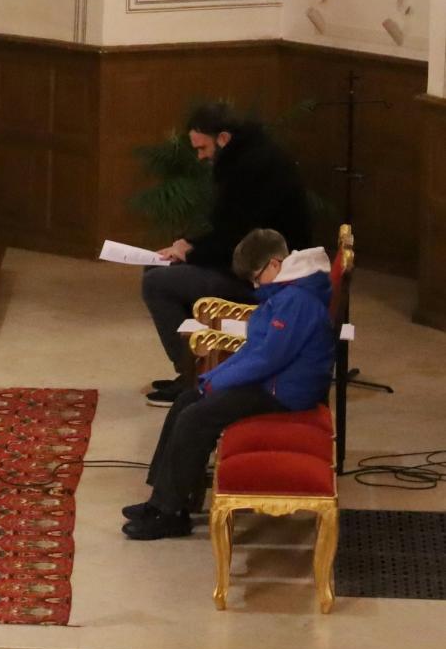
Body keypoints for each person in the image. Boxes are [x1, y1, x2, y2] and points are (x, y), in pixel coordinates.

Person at [124, 227, 336, 540]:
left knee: (197, 417)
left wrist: (215, 384)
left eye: (255, 275)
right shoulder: (285, 291)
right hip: (273, 381)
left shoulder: (297, 300)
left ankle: (169, 513)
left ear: (275, 264)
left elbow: (268, 359)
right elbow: (255, 349)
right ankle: (166, 500)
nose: (254, 284)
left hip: (285, 392)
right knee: (187, 399)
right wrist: (210, 380)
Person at [138, 103, 311, 405]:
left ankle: (193, 378)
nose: (200, 156)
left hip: (263, 279)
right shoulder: (251, 158)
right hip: (252, 265)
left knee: (157, 283)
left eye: (203, 148)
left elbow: (236, 244)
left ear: (223, 139)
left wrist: (190, 253)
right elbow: (230, 230)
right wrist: (188, 245)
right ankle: (193, 368)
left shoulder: (252, 170)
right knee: (158, 272)